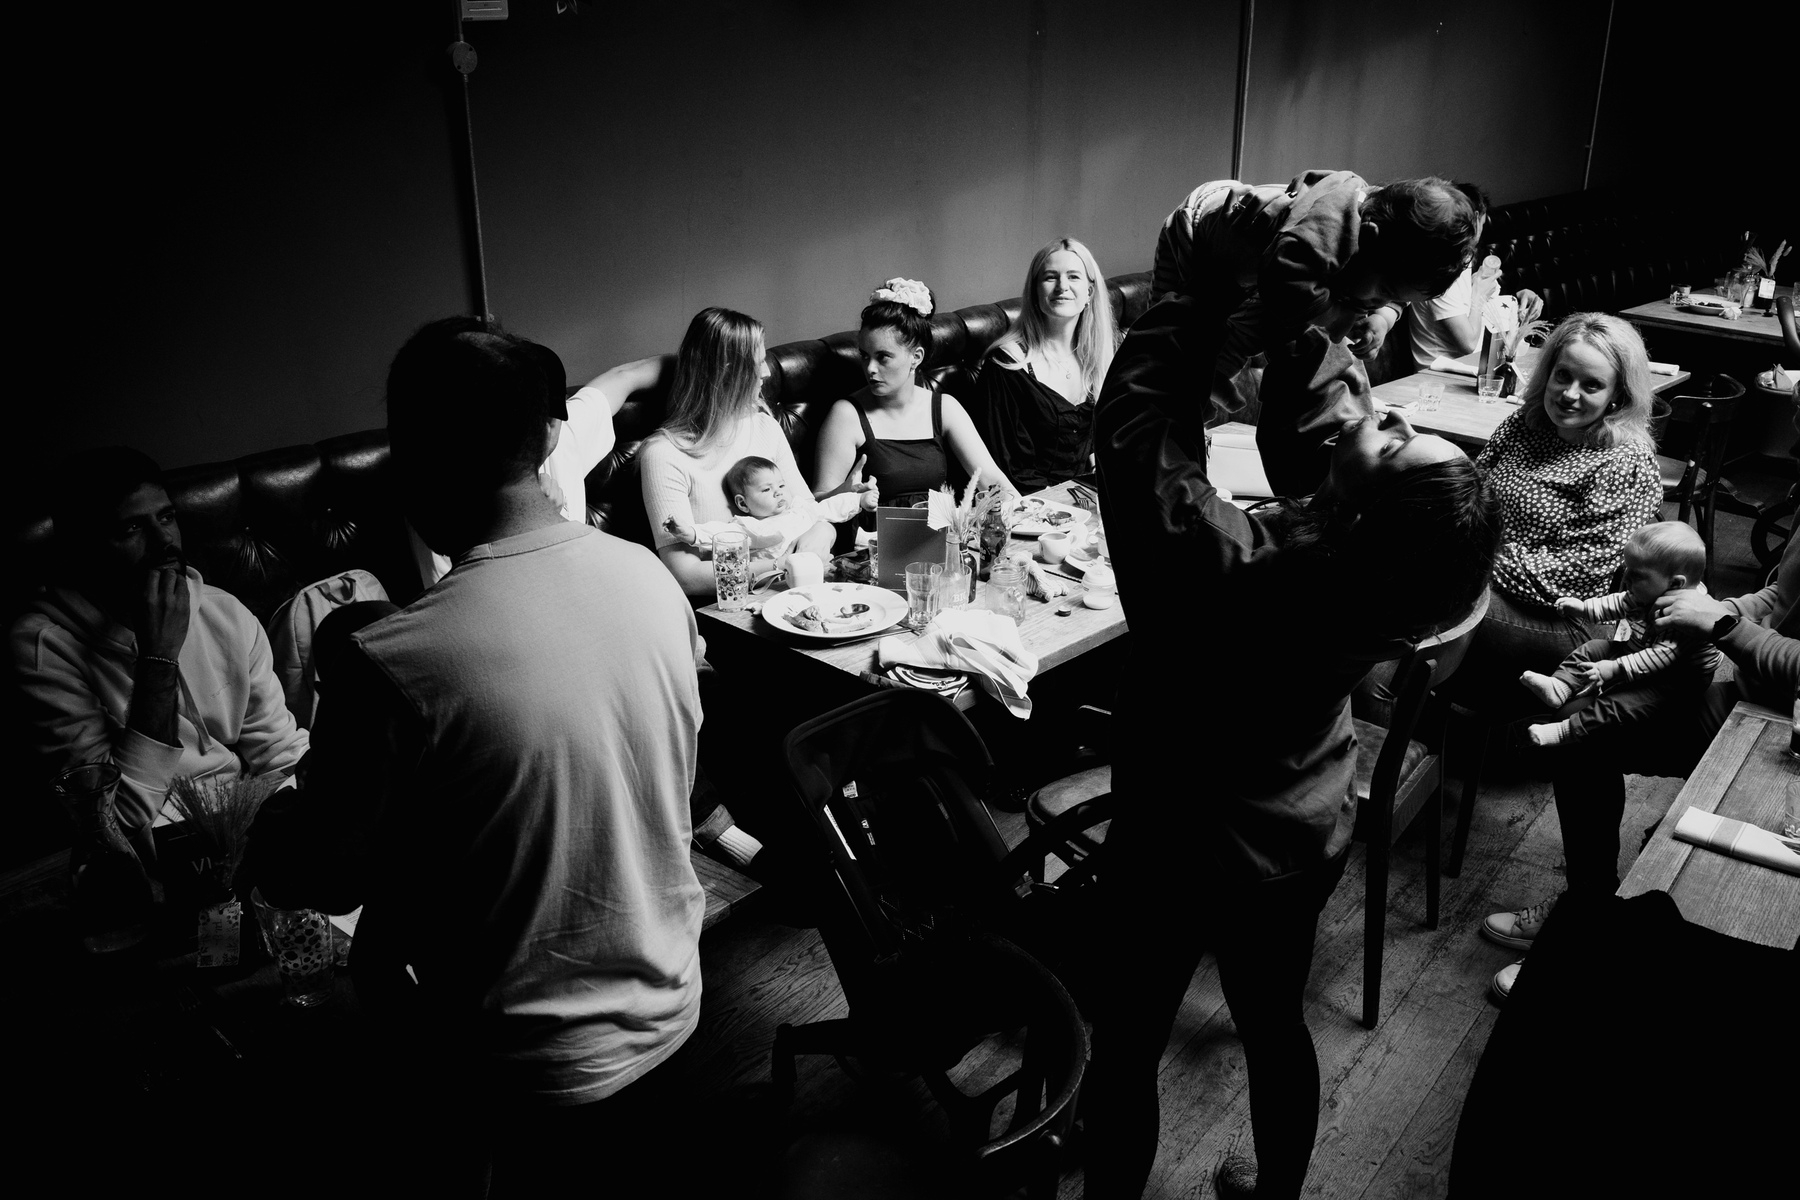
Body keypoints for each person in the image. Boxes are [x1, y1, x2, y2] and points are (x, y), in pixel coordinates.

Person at [249, 318, 709, 1194]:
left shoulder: (399, 659)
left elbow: (319, 875)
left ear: (414, 458)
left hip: (531, 1071)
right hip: (677, 1012)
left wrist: (273, 814)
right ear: (544, 438)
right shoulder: (650, 580)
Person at [1086, 296, 1503, 1200]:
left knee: (1125, 1044)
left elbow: (1136, 444)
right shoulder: (1397, 580)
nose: (1388, 414)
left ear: (1356, 515)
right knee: (1273, 1022)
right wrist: (1304, 316)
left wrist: (1197, 306)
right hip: (1301, 826)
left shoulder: (1251, 578)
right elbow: (1322, 427)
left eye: (1393, 439)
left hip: (1184, 835)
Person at [1482, 533, 1800, 1003]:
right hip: (1752, 692)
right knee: (1578, 734)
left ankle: (1590, 945)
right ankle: (1588, 912)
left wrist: (1724, 625)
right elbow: (1782, 597)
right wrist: (1696, 607)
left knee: (1690, 857)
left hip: (1783, 730)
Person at [12, 447, 309, 859]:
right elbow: (115, 821)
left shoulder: (224, 613)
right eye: (131, 527)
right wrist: (159, 657)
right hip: (147, 859)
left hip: (248, 828)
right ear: (83, 550)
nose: (164, 541)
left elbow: (279, 754)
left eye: (166, 517)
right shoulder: (42, 650)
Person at [1452, 313, 1663, 707]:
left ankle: (1391, 745)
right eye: (1563, 376)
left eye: (1592, 385)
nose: (1569, 393)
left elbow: (1574, 578)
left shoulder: (1624, 461)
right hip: (1478, 582)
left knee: (1413, 603)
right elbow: (1469, 495)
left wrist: (1465, 564)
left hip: (1565, 622)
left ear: (1617, 395)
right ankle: (1397, 736)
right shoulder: (1525, 422)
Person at [1150, 172, 1480, 404]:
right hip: (1198, 229)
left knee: (1262, 324)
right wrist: (1341, 317)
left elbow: (1393, 296)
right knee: (1168, 325)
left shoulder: (1377, 253)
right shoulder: (1327, 230)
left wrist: (1383, 318)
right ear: (1371, 237)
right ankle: (1175, 368)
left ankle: (1214, 373)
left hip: (1251, 271)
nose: (1381, 301)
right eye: (1387, 290)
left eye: (1395, 299)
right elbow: (1284, 280)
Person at [406, 315, 660, 586]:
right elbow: (455, 600)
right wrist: (539, 525)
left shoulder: (569, 433)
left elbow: (626, 377)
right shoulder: (441, 498)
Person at [641, 306, 848, 599]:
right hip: (724, 610)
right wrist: (780, 565)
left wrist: (814, 547)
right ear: (726, 372)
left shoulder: (764, 427)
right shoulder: (664, 455)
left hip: (792, 591)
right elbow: (685, 575)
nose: (766, 372)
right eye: (757, 362)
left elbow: (811, 515)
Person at [813, 278, 1018, 511]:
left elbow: (990, 479)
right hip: (873, 541)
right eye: (864, 355)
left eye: (883, 357)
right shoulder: (847, 415)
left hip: (938, 537)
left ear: (916, 357)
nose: (870, 368)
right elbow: (816, 502)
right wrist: (844, 493)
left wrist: (1029, 516)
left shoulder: (944, 408)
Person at [1518, 521, 1718, 747]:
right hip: (1640, 649)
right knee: (1593, 648)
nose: (1626, 579)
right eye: (1627, 570)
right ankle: (1561, 686)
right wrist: (1584, 608)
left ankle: (1565, 731)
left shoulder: (1688, 616)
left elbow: (1661, 656)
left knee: (1621, 704)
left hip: (1677, 678)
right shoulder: (1651, 590)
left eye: (1636, 575)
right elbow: (1620, 602)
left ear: (1675, 583)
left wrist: (1615, 668)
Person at [974, 238, 1119, 492]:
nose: (1062, 286)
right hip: (1031, 511)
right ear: (1034, 292)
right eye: (1050, 277)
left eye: (1074, 277)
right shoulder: (1006, 366)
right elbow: (1007, 470)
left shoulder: (1098, 357)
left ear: (1090, 292)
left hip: (1085, 498)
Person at [1404, 182, 1544, 370]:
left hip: (1476, 366)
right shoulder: (1443, 267)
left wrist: (1516, 302)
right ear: (1476, 218)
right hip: (1442, 375)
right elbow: (1468, 344)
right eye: (1483, 224)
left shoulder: (1464, 258)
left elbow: (1471, 311)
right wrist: (1478, 294)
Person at [661, 453, 874, 560]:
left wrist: (859, 501)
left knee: (835, 526)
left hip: (824, 561)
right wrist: (690, 533)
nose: (778, 492)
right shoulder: (751, 528)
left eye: (781, 485)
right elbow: (720, 533)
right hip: (779, 580)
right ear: (743, 504)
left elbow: (829, 507)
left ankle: (871, 544)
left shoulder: (798, 509)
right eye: (766, 490)